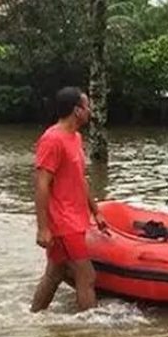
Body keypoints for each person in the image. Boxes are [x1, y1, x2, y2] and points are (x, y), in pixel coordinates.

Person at [31, 87, 109, 313]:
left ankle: (34, 315)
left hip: (75, 217)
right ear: (77, 111)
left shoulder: (75, 137)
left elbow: (79, 178)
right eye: (87, 106)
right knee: (87, 276)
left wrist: (96, 212)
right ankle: (90, 329)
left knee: (54, 273)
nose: (90, 111)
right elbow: (42, 184)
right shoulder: (52, 140)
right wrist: (43, 228)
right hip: (63, 222)